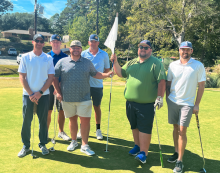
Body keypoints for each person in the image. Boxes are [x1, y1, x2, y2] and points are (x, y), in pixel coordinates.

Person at [53, 40, 113, 156]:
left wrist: (106, 74)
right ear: (70, 49)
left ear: (81, 49)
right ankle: (74, 141)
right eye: (73, 47)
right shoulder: (62, 62)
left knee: (85, 121)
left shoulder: (87, 62)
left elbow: (95, 74)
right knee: (72, 120)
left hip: (84, 97)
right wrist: (58, 92)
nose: (76, 49)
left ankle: (84, 145)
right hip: (68, 98)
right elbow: (55, 77)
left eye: (78, 48)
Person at [110, 40, 166, 164]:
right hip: (130, 102)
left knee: (144, 128)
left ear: (150, 50)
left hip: (146, 103)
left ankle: (143, 153)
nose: (143, 49)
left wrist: (160, 97)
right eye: (141, 47)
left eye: (146, 47)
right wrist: (115, 61)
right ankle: (137, 146)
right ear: (138, 49)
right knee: (134, 126)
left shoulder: (156, 63)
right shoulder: (132, 62)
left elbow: (161, 81)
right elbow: (120, 73)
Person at [166, 41, 206, 173]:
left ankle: (180, 161)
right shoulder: (172, 65)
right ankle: (176, 152)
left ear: (192, 51)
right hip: (173, 101)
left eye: (188, 50)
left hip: (187, 104)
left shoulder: (198, 65)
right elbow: (169, 83)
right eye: (183, 49)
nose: (185, 52)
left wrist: (197, 104)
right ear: (179, 50)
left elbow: (201, 85)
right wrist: (167, 99)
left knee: (182, 131)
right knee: (175, 127)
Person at [17, 34, 55, 157]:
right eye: (37, 41)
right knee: (26, 121)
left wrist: (40, 93)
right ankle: (26, 146)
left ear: (44, 43)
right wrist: (31, 94)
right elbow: (22, 77)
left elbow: (50, 78)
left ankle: (43, 144)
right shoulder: (25, 57)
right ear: (33, 42)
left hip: (43, 95)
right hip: (28, 95)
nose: (39, 43)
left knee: (43, 121)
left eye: (41, 41)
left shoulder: (48, 58)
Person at [79, 34, 110, 140]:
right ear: (89, 42)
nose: (93, 43)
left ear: (98, 43)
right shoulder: (83, 53)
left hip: (97, 86)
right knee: (83, 108)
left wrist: (100, 76)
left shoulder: (104, 54)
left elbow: (106, 70)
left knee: (97, 107)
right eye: (91, 41)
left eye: (95, 41)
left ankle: (98, 129)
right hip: (85, 86)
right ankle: (81, 129)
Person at [47, 34, 71, 141]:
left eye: (58, 42)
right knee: (48, 110)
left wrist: (59, 87)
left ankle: (61, 132)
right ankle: (45, 133)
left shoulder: (66, 57)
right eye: (54, 42)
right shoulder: (46, 57)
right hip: (48, 87)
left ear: (60, 43)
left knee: (61, 110)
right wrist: (54, 87)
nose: (56, 44)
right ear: (50, 43)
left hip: (62, 87)